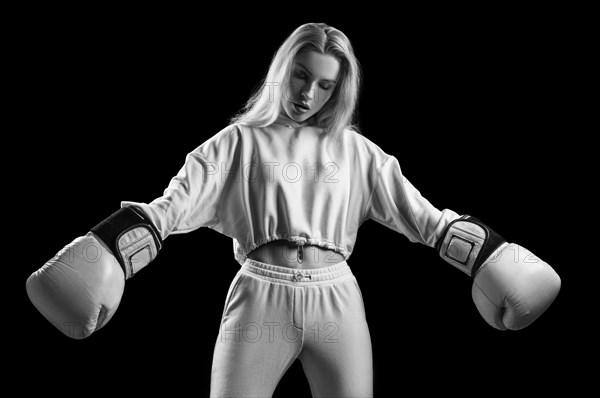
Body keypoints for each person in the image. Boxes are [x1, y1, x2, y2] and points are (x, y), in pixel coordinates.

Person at [26, 23, 561, 397]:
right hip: (261, 292)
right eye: (302, 76)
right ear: (284, 69)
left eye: (326, 85)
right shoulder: (238, 143)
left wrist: (487, 254)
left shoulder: (356, 152)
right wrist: (109, 250)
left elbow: (425, 219)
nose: (310, 93)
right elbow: (170, 210)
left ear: (340, 90)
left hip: (337, 298)